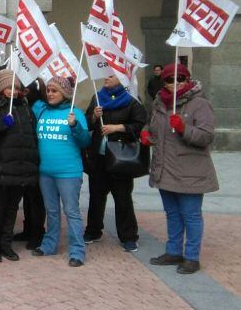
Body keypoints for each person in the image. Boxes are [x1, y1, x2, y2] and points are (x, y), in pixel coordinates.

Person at [142, 63, 217, 275]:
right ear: (163, 82)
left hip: (190, 171)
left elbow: (206, 136)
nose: (175, 83)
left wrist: (185, 129)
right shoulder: (159, 103)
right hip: (165, 168)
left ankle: (192, 257)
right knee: (172, 214)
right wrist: (147, 134)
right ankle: (173, 251)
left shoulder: (200, 104)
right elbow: (153, 126)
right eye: (169, 80)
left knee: (191, 215)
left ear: (188, 79)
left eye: (180, 78)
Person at [31, 76, 90, 267]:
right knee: (52, 211)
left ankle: (77, 251)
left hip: (68, 173)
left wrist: (75, 126)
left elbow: (85, 142)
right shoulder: (42, 111)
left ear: (64, 93)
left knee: (71, 211)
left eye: (54, 91)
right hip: (45, 172)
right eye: (48, 90)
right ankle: (49, 245)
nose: (49, 94)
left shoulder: (75, 113)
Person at [83, 75, 147, 252]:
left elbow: (140, 124)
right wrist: (94, 117)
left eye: (112, 75)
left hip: (121, 157)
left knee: (123, 198)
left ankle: (128, 236)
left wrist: (118, 128)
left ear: (122, 78)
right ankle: (93, 231)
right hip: (99, 157)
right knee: (96, 197)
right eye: (106, 75)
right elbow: (86, 124)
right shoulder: (97, 97)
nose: (106, 78)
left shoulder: (132, 100)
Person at [0, 69, 39, 262]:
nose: (13, 91)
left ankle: (6, 244)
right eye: (9, 87)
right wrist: (1, 125)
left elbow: (31, 139)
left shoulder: (26, 108)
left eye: (16, 87)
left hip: (20, 168)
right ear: (1, 88)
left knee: (12, 208)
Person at [12, 78, 47, 249]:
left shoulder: (39, 107)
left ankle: (37, 233)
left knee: (35, 199)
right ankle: (28, 230)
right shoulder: (27, 105)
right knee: (28, 197)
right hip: (27, 158)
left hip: (37, 157)